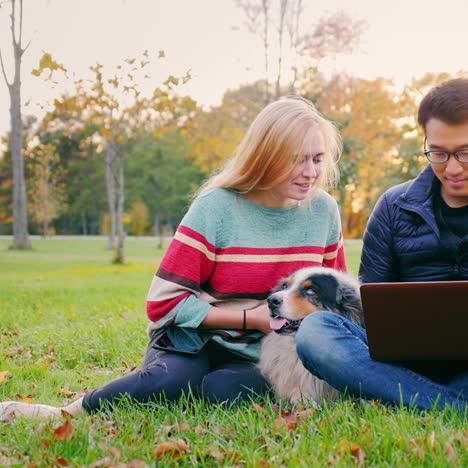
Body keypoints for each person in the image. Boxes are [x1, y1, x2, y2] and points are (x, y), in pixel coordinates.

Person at [1, 96, 347, 420]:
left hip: (266, 351)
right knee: (170, 384)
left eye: (317, 159)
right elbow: (163, 303)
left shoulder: (324, 212)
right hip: (193, 338)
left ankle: (196, 378)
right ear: (265, 155)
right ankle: (63, 411)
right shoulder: (216, 208)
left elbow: (337, 302)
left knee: (221, 392)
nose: (310, 172)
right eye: (296, 159)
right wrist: (248, 318)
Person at [295, 78, 468, 412]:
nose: (453, 167)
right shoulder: (393, 206)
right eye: (439, 153)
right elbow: (371, 307)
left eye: (465, 152)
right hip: (405, 361)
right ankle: (452, 405)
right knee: (316, 332)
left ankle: (408, 397)